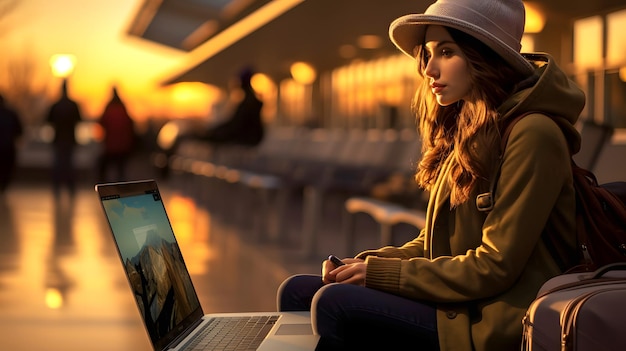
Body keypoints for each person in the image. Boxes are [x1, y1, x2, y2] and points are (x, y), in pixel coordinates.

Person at [276, 0, 584, 350]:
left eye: (447, 52)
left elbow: (495, 266)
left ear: (485, 57)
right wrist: (368, 264)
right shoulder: (469, 130)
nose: (429, 69)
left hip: (494, 318)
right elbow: (434, 245)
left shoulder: (534, 134)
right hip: (461, 301)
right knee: (299, 291)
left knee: (334, 303)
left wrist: (377, 277)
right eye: (427, 53)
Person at [201, 67, 264, 147]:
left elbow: (236, 125)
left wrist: (214, 131)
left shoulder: (249, 102)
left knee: (209, 136)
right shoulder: (249, 101)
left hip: (246, 138)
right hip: (248, 137)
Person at [47, 79, 83, 198]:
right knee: (69, 164)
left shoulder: (56, 105)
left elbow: (48, 120)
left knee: (58, 164)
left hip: (58, 139)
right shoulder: (73, 105)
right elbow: (79, 120)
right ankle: (70, 188)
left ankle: (57, 188)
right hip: (70, 139)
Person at [97, 86, 136, 182]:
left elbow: (101, 121)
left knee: (105, 168)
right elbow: (130, 123)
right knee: (121, 170)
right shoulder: (122, 107)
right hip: (123, 145)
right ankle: (121, 189)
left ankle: (105, 188)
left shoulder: (109, 107)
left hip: (111, 145)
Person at [0, 94, 23, 194]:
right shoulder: (11, 114)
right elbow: (19, 131)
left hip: (6, 147)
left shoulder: (11, 114)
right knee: (7, 171)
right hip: (8, 148)